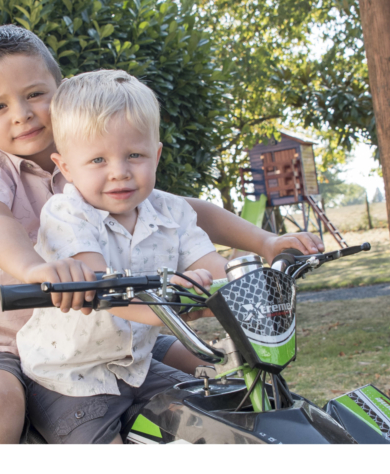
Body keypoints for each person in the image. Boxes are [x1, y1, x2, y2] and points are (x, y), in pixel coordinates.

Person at [0, 24, 324, 444]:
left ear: (62, 95)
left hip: (111, 330)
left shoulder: (98, 154)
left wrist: (264, 244)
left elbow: (186, 212)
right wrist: (39, 269)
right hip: (7, 336)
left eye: (35, 94)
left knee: (216, 378)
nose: (21, 113)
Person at [17, 69, 233, 444]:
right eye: (98, 160)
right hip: (70, 378)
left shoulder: (173, 212)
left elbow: (210, 264)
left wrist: (233, 286)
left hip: (137, 367)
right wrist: (171, 299)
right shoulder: (66, 214)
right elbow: (104, 285)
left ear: (157, 154)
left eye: (135, 154)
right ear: (66, 167)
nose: (119, 172)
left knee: (218, 417)